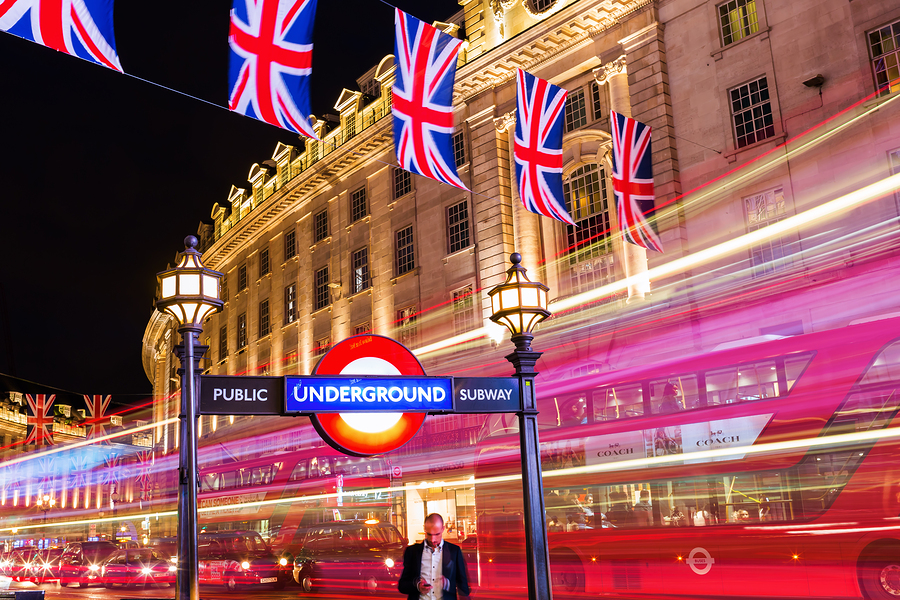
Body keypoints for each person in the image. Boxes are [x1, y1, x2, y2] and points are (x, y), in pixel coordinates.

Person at [398, 513, 470, 600]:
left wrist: (447, 584)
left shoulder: (454, 551)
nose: (433, 539)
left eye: (437, 534)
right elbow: (402, 586)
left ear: (443, 529)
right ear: (424, 529)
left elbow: (463, 586)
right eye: (429, 534)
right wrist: (417, 586)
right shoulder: (412, 552)